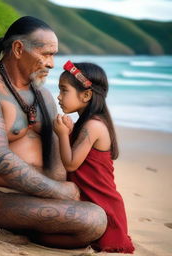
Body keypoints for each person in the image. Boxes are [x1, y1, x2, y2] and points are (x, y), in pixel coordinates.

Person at [0, 16, 107, 249]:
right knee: (93, 220)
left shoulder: (43, 95)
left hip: (41, 194)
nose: (52, 63)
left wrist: (63, 185)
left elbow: (55, 149)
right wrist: (58, 192)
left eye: (54, 55)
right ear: (18, 49)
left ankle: (29, 231)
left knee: (98, 220)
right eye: (46, 54)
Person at [53, 60, 135, 253]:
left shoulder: (94, 126)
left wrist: (63, 135)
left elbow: (71, 164)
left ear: (86, 95)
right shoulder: (86, 123)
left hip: (103, 207)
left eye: (64, 90)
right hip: (88, 202)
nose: (59, 96)